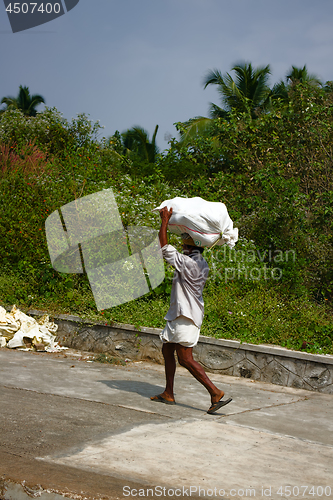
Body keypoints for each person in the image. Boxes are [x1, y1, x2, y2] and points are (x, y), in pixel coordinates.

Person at [151, 206, 232, 414]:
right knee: (167, 349)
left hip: (186, 316)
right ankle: (168, 392)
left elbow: (164, 247)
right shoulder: (201, 262)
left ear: (189, 249)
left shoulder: (188, 263)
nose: (182, 247)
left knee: (186, 358)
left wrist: (165, 221)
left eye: (184, 245)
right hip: (180, 313)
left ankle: (215, 392)